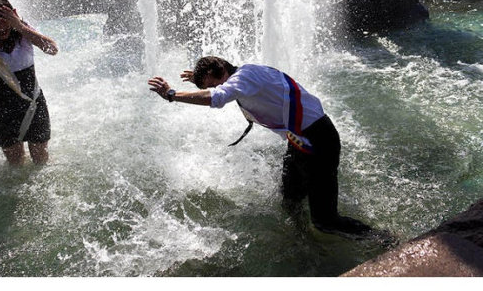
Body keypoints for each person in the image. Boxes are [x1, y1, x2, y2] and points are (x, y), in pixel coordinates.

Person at [148, 56, 372, 236]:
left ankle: (383, 239)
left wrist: (172, 94)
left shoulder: (246, 75)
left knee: (326, 221)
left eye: (211, 83)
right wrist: (200, 78)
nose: (213, 88)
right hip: (298, 142)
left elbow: (218, 97)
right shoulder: (239, 77)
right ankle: (302, 242)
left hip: (319, 140)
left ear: (219, 73)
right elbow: (219, 83)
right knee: (291, 201)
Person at [0, 0, 58, 166]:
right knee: (15, 164)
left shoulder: (23, 32)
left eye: (4, 20)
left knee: (41, 160)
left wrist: (19, 25)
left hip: (33, 102)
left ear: (14, 14)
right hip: (2, 107)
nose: (0, 26)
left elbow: (52, 49)